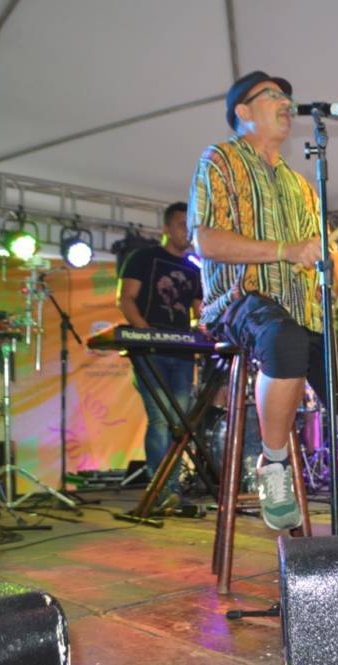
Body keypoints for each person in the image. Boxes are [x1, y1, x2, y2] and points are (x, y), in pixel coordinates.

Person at [187, 70, 338, 532]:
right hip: (241, 298)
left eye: (288, 95)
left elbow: (330, 251)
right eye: (272, 95)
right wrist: (286, 250)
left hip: (307, 311)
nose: (286, 101)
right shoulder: (220, 161)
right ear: (242, 111)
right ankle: (274, 461)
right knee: (284, 339)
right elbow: (206, 240)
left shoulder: (302, 185)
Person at [117, 201, 202, 506]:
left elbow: (199, 312)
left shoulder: (194, 269)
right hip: (150, 351)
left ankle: (172, 490)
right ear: (166, 228)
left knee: (178, 422)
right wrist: (145, 332)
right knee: (160, 418)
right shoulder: (143, 258)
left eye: (190, 226)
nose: (186, 231)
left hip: (181, 353)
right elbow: (126, 299)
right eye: (181, 225)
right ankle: (160, 490)